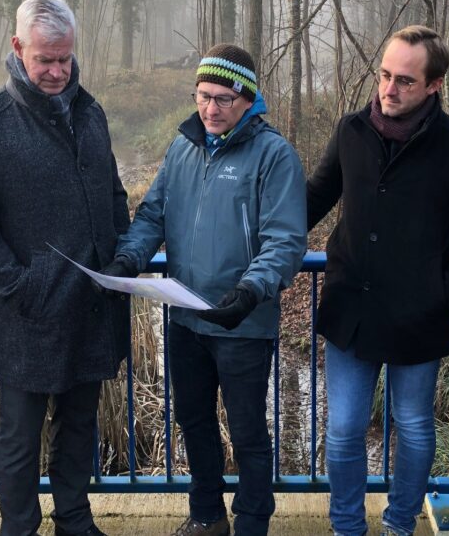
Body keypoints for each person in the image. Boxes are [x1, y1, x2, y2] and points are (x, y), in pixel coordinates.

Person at [306, 26, 449, 536]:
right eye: (384, 75)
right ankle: (346, 527)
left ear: (434, 84)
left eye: (405, 81)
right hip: (351, 309)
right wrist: (259, 238)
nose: (388, 90)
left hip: (418, 317)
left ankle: (400, 525)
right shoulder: (351, 130)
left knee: (414, 428)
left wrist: (439, 296)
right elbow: (312, 200)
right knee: (346, 428)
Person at [102, 43, 306, 536]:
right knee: (194, 422)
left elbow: (285, 238)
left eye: (223, 99)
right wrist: (129, 257)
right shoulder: (182, 148)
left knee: (249, 433)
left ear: (248, 99)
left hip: (242, 320)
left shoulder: (273, 155)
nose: (210, 109)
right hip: (184, 316)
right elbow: (153, 214)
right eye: (202, 96)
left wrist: (251, 290)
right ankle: (207, 515)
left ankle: (253, 522)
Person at [0, 0, 129, 536]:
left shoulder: (90, 114)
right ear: (16, 47)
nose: (56, 71)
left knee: (79, 426)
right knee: (19, 437)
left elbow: (112, 196)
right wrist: (25, 287)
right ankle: (18, 527)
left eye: (65, 59)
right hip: (26, 315)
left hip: (92, 305)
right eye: (45, 59)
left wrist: (118, 261)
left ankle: (75, 519)